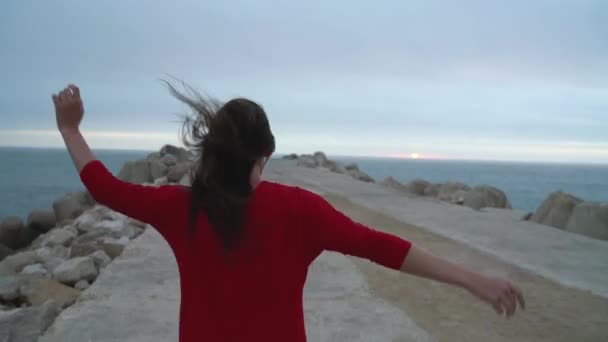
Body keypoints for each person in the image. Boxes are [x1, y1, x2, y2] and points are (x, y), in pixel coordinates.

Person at [52, 84, 524, 342]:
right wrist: (472, 280)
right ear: (266, 151)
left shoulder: (183, 208)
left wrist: (70, 128)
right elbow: (384, 247)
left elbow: (103, 186)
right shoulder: (300, 211)